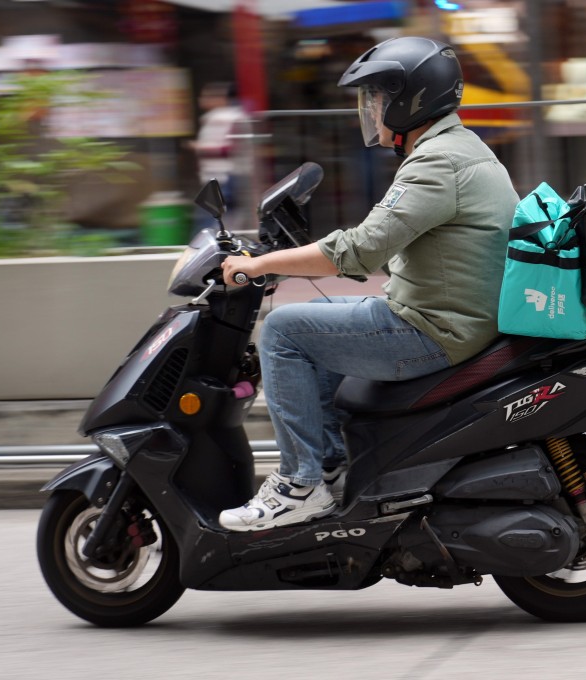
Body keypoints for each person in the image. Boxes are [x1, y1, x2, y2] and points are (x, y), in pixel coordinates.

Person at [218, 36, 520, 531]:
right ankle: (331, 462)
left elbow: (361, 249)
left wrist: (262, 263)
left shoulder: (436, 162)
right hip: (456, 318)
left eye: (377, 98)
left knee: (282, 331)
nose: (372, 109)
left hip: (436, 330)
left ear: (410, 99)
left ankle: (300, 484)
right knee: (324, 314)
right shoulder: (456, 147)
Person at [189, 82, 245, 233]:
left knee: (210, 218)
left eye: (207, 96)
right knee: (221, 216)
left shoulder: (224, 118)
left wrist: (200, 147)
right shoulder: (219, 117)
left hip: (222, 176)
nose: (202, 99)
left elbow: (230, 147)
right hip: (219, 176)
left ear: (221, 98)